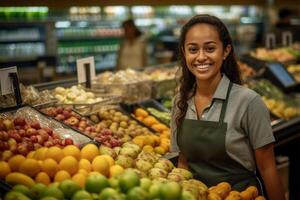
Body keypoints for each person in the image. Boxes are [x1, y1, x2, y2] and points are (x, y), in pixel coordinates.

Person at [170, 15, 285, 200]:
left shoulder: (248, 102)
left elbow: (267, 168)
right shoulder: (180, 102)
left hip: (241, 196)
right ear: (184, 53)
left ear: (225, 51)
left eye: (210, 48)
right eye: (193, 49)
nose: (201, 57)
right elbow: (183, 163)